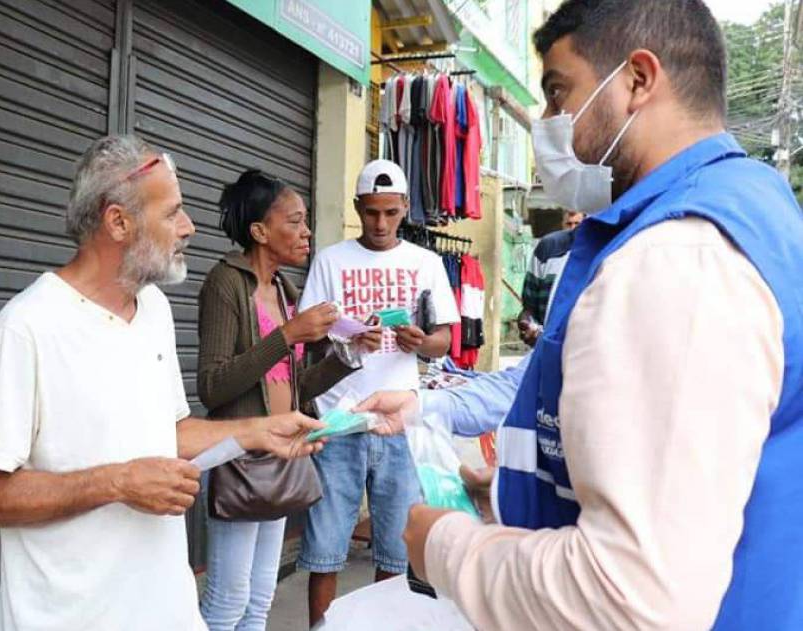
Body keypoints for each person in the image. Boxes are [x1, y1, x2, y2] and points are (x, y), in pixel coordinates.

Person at [358, 1, 803, 629]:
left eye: (558, 92)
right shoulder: (745, 209)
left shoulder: (678, 258)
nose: (548, 122)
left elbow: (631, 597)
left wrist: (444, 546)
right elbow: (568, 379)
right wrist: (511, 486)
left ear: (638, 80)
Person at [0, 136, 327, 631]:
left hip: (166, 611)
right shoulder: (24, 329)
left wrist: (260, 431)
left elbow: (169, 432)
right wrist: (117, 482)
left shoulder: (154, 309)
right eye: (172, 212)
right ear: (118, 222)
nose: (189, 227)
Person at [296, 160, 459, 627]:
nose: (381, 223)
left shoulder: (425, 263)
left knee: (393, 549)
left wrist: (420, 342)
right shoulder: (330, 259)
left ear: (406, 207)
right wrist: (346, 337)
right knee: (325, 551)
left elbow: (444, 339)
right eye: (371, 213)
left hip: (398, 423)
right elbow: (310, 333)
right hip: (339, 419)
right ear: (356, 209)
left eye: (390, 212)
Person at [196, 170, 359, 631]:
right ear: (260, 232)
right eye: (295, 221)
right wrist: (288, 335)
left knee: (261, 596)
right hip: (240, 460)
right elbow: (212, 384)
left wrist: (349, 353)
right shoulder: (226, 284)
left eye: (306, 221)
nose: (307, 232)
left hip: (279, 454)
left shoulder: (285, 291)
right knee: (228, 600)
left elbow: (295, 388)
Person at [517, 209, 584, 346]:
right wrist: (529, 325)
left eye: (577, 223)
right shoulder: (547, 248)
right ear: (562, 223)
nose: (573, 228)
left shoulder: (601, 251)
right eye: (569, 224)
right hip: (546, 345)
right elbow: (528, 308)